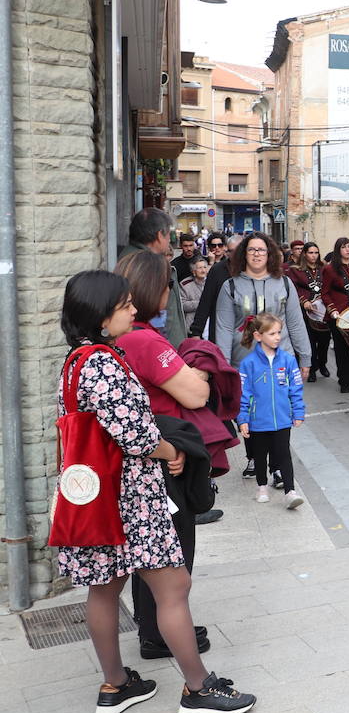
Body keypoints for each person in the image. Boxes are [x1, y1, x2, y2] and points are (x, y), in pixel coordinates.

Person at [56, 269, 255, 713]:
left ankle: (117, 684)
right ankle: (199, 689)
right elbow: (134, 435)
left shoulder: (75, 362)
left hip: (96, 496)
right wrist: (170, 451)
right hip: (131, 496)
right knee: (174, 587)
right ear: (102, 317)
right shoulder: (105, 362)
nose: (133, 309)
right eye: (124, 305)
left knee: (104, 590)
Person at [112, 252, 215, 661]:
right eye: (167, 286)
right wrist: (201, 372)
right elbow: (196, 393)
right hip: (161, 457)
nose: (170, 294)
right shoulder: (143, 339)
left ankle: (154, 628)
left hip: (144, 457)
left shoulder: (117, 340)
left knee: (150, 553)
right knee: (173, 554)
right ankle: (161, 635)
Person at [213, 233, 311, 374]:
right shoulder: (230, 286)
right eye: (251, 250)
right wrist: (224, 365)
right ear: (244, 254)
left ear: (269, 254)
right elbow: (224, 329)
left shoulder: (285, 283)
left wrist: (305, 357)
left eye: (261, 250)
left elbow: (296, 324)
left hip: (281, 363)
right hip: (243, 364)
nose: (256, 254)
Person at [236, 313, 306, 509]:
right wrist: (243, 418)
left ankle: (290, 491)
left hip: (282, 419)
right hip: (258, 421)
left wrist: (298, 411)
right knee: (259, 455)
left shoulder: (288, 360)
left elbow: (296, 388)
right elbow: (244, 393)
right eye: (272, 333)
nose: (277, 337)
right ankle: (261, 486)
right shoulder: (248, 364)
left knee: (284, 454)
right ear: (258, 336)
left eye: (279, 333)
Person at [121, 208, 188, 346]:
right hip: (155, 348)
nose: (169, 240)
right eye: (169, 234)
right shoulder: (148, 267)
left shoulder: (126, 259)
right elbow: (168, 318)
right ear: (159, 236)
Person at [322, 237, 349, 394]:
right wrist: (332, 310)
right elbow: (325, 293)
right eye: (344, 247)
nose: (348, 250)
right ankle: (344, 379)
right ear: (338, 249)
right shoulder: (330, 269)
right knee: (341, 349)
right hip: (339, 315)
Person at [289, 242, 332, 384]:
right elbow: (293, 288)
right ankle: (312, 369)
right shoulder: (296, 270)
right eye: (310, 253)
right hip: (305, 311)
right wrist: (304, 301)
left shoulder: (324, 268)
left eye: (316, 252)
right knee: (310, 340)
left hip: (323, 310)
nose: (313, 256)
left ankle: (323, 363)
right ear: (305, 254)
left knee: (325, 340)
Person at [190, 234, 241, 343]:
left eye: (238, 250)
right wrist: (196, 332)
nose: (235, 255)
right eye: (231, 251)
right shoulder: (217, 270)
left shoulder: (251, 270)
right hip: (220, 328)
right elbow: (205, 301)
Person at [179, 257, 210, 323]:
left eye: (205, 267)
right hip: (192, 322)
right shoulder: (185, 284)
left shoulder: (212, 281)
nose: (203, 270)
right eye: (200, 268)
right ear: (193, 271)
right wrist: (201, 303)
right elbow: (182, 304)